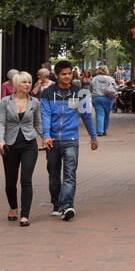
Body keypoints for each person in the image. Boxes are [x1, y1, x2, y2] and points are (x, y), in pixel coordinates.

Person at [39, 60, 98, 222]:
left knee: (70, 173)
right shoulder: (47, 94)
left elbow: (86, 116)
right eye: (63, 74)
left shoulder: (81, 93)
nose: (67, 77)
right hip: (53, 140)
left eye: (69, 73)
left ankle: (67, 206)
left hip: (71, 139)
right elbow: (45, 115)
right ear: (56, 75)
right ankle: (56, 204)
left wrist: (93, 136)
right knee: (53, 174)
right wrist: (45, 135)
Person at [0, 71, 43, 226]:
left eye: (29, 82)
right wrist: (1, 140)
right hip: (10, 145)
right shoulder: (5, 101)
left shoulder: (35, 102)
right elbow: (1, 122)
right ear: (17, 84)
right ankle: (13, 207)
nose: (28, 85)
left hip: (29, 145)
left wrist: (45, 136)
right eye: (24, 82)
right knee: (10, 181)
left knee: (26, 180)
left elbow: (38, 123)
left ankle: (25, 215)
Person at [90, 65, 117, 136]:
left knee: (99, 114)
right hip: (108, 98)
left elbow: (90, 88)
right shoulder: (110, 79)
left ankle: (100, 130)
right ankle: (104, 130)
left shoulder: (94, 79)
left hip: (97, 98)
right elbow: (115, 88)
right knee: (106, 114)